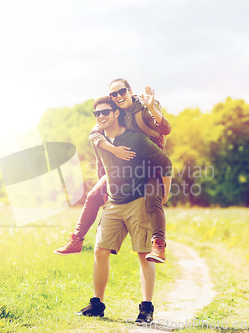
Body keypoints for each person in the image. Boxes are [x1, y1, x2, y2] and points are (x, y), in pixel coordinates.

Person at [76, 96, 172, 323]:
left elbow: (165, 162)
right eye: (97, 114)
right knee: (100, 251)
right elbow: (94, 136)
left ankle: (146, 308)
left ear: (116, 113)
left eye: (105, 112)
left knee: (143, 254)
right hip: (113, 202)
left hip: (138, 201)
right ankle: (97, 304)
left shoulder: (136, 139)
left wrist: (164, 191)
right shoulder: (98, 138)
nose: (101, 117)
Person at [55, 78, 172, 263]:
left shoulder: (143, 109)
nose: (118, 96)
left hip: (150, 164)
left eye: (121, 92)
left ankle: (158, 246)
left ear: (130, 91)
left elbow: (166, 129)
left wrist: (166, 189)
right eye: (113, 94)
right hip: (125, 166)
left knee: (152, 197)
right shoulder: (113, 114)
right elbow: (94, 134)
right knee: (93, 194)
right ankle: (76, 240)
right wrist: (114, 149)